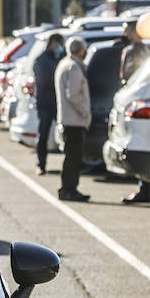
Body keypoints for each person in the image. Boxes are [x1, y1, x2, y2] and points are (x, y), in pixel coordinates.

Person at [119, 21, 150, 204]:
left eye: (127, 29)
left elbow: (125, 77)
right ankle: (148, 186)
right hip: (149, 99)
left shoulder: (132, 52)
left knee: (139, 143)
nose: (124, 33)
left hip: (136, 101)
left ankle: (146, 187)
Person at [54, 36, 91, 202]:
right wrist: (85, 112)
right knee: (73, 158)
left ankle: (68, 188)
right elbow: (73, 94)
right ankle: (69, 189)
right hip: (74, 120)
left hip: (67, 118)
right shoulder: (74, 68)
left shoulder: (64, 64)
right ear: (81, 50)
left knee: (71, 156)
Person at [32, 34, 63, 175]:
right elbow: (44, 81)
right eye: (57, 44)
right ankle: (41, 163)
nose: (59, 47)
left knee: (64, 133)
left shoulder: (60, 58)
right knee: (43, 134)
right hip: (46, 102)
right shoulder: (42, 60)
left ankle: (68, 164)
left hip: (59, 103)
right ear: (51, 43)